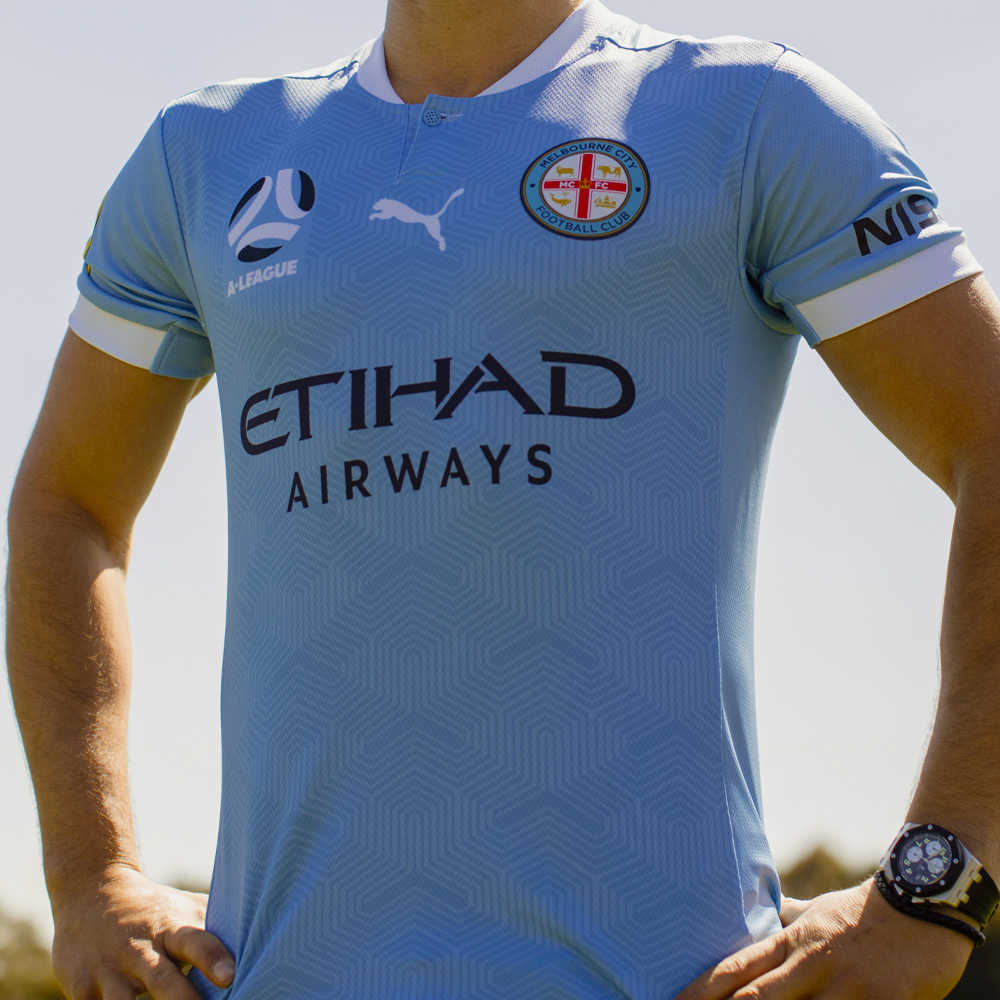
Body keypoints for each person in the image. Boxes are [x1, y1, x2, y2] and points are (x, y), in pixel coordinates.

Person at [7, 0, 1000, 997]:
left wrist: (939, 882)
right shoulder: (203, 156)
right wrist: (91, 873)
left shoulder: (749, 116)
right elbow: (66, 504)